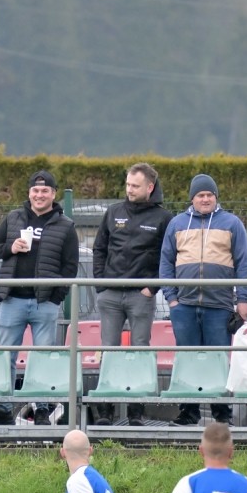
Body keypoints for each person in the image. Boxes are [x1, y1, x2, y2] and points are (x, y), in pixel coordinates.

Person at [0, 170, 79, 426]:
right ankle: (3, 409)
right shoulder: (13, 218)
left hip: (44, 303)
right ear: (29, 193)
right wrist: (10, 247)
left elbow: (70, 267)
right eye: (35, 190)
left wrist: (56, 298)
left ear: (53, 194)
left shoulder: (66, 225)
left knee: (42, 359)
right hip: (12, 300)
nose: (39, 195)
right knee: (5, 357)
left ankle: (43, 410)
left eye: (45, 190)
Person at [159, 174, 247, 426]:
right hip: (184, 306)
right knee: (187, 359)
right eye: (200, 195)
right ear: (192, 198)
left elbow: (244, 262)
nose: (205, 199)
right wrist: (172, 298)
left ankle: (222, 414)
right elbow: (166, 262)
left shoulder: (232, 223)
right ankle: (188, 412)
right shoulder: (177, 223)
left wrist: (244, 298)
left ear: (216, 197)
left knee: (218, 360)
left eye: (210, 195)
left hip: (219, 305)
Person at [92, 162, 172, 426]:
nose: (130, 190)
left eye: (135, 186)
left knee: (140, 350)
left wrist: (152, 288)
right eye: (128, 184)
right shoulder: (113, 212)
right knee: (109, 350)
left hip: (141, 296)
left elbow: (167, 257)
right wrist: (101, 284)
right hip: (111, 295)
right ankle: (105, 409)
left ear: (150, 187)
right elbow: (99, 249)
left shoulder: (163, 218)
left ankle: (136, 410)